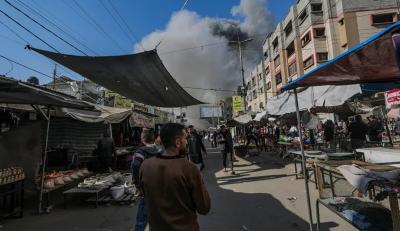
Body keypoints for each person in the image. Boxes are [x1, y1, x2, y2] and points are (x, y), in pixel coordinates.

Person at [139, 123, 211, 231]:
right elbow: (204, 208)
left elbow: (145, 195)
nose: (187, 142)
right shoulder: (189, 168)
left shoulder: (145, 166)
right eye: (185, 138)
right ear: (178, 142)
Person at [131, 129, 162, 231]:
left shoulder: (141, 152)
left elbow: (135, 165)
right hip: (161, 187)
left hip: (147, 189)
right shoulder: (160, 151)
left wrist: (137, 183)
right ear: (153, 139)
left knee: (142, 219)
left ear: (143, 139)